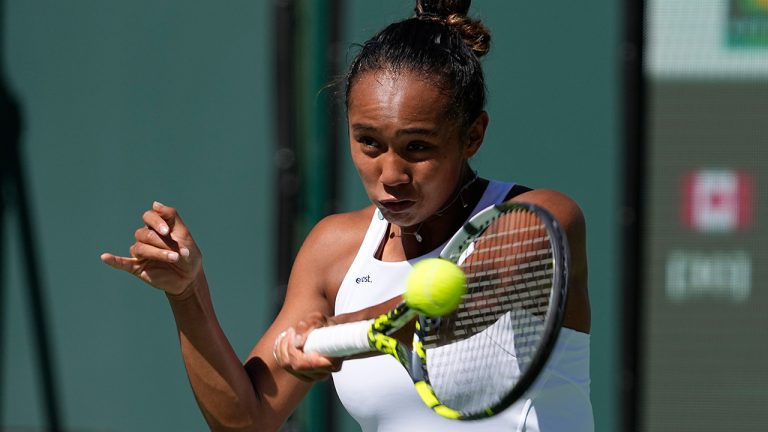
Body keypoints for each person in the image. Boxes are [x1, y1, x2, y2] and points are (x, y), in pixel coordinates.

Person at [101, 0, 593, 430]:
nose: (391, 173)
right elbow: (245, 421)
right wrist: (188, 295)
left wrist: (332, 334)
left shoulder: (540, 221)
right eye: (369, 143)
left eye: (417, 147)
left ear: (472, 136)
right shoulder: (334, 248)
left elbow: (438, 311)